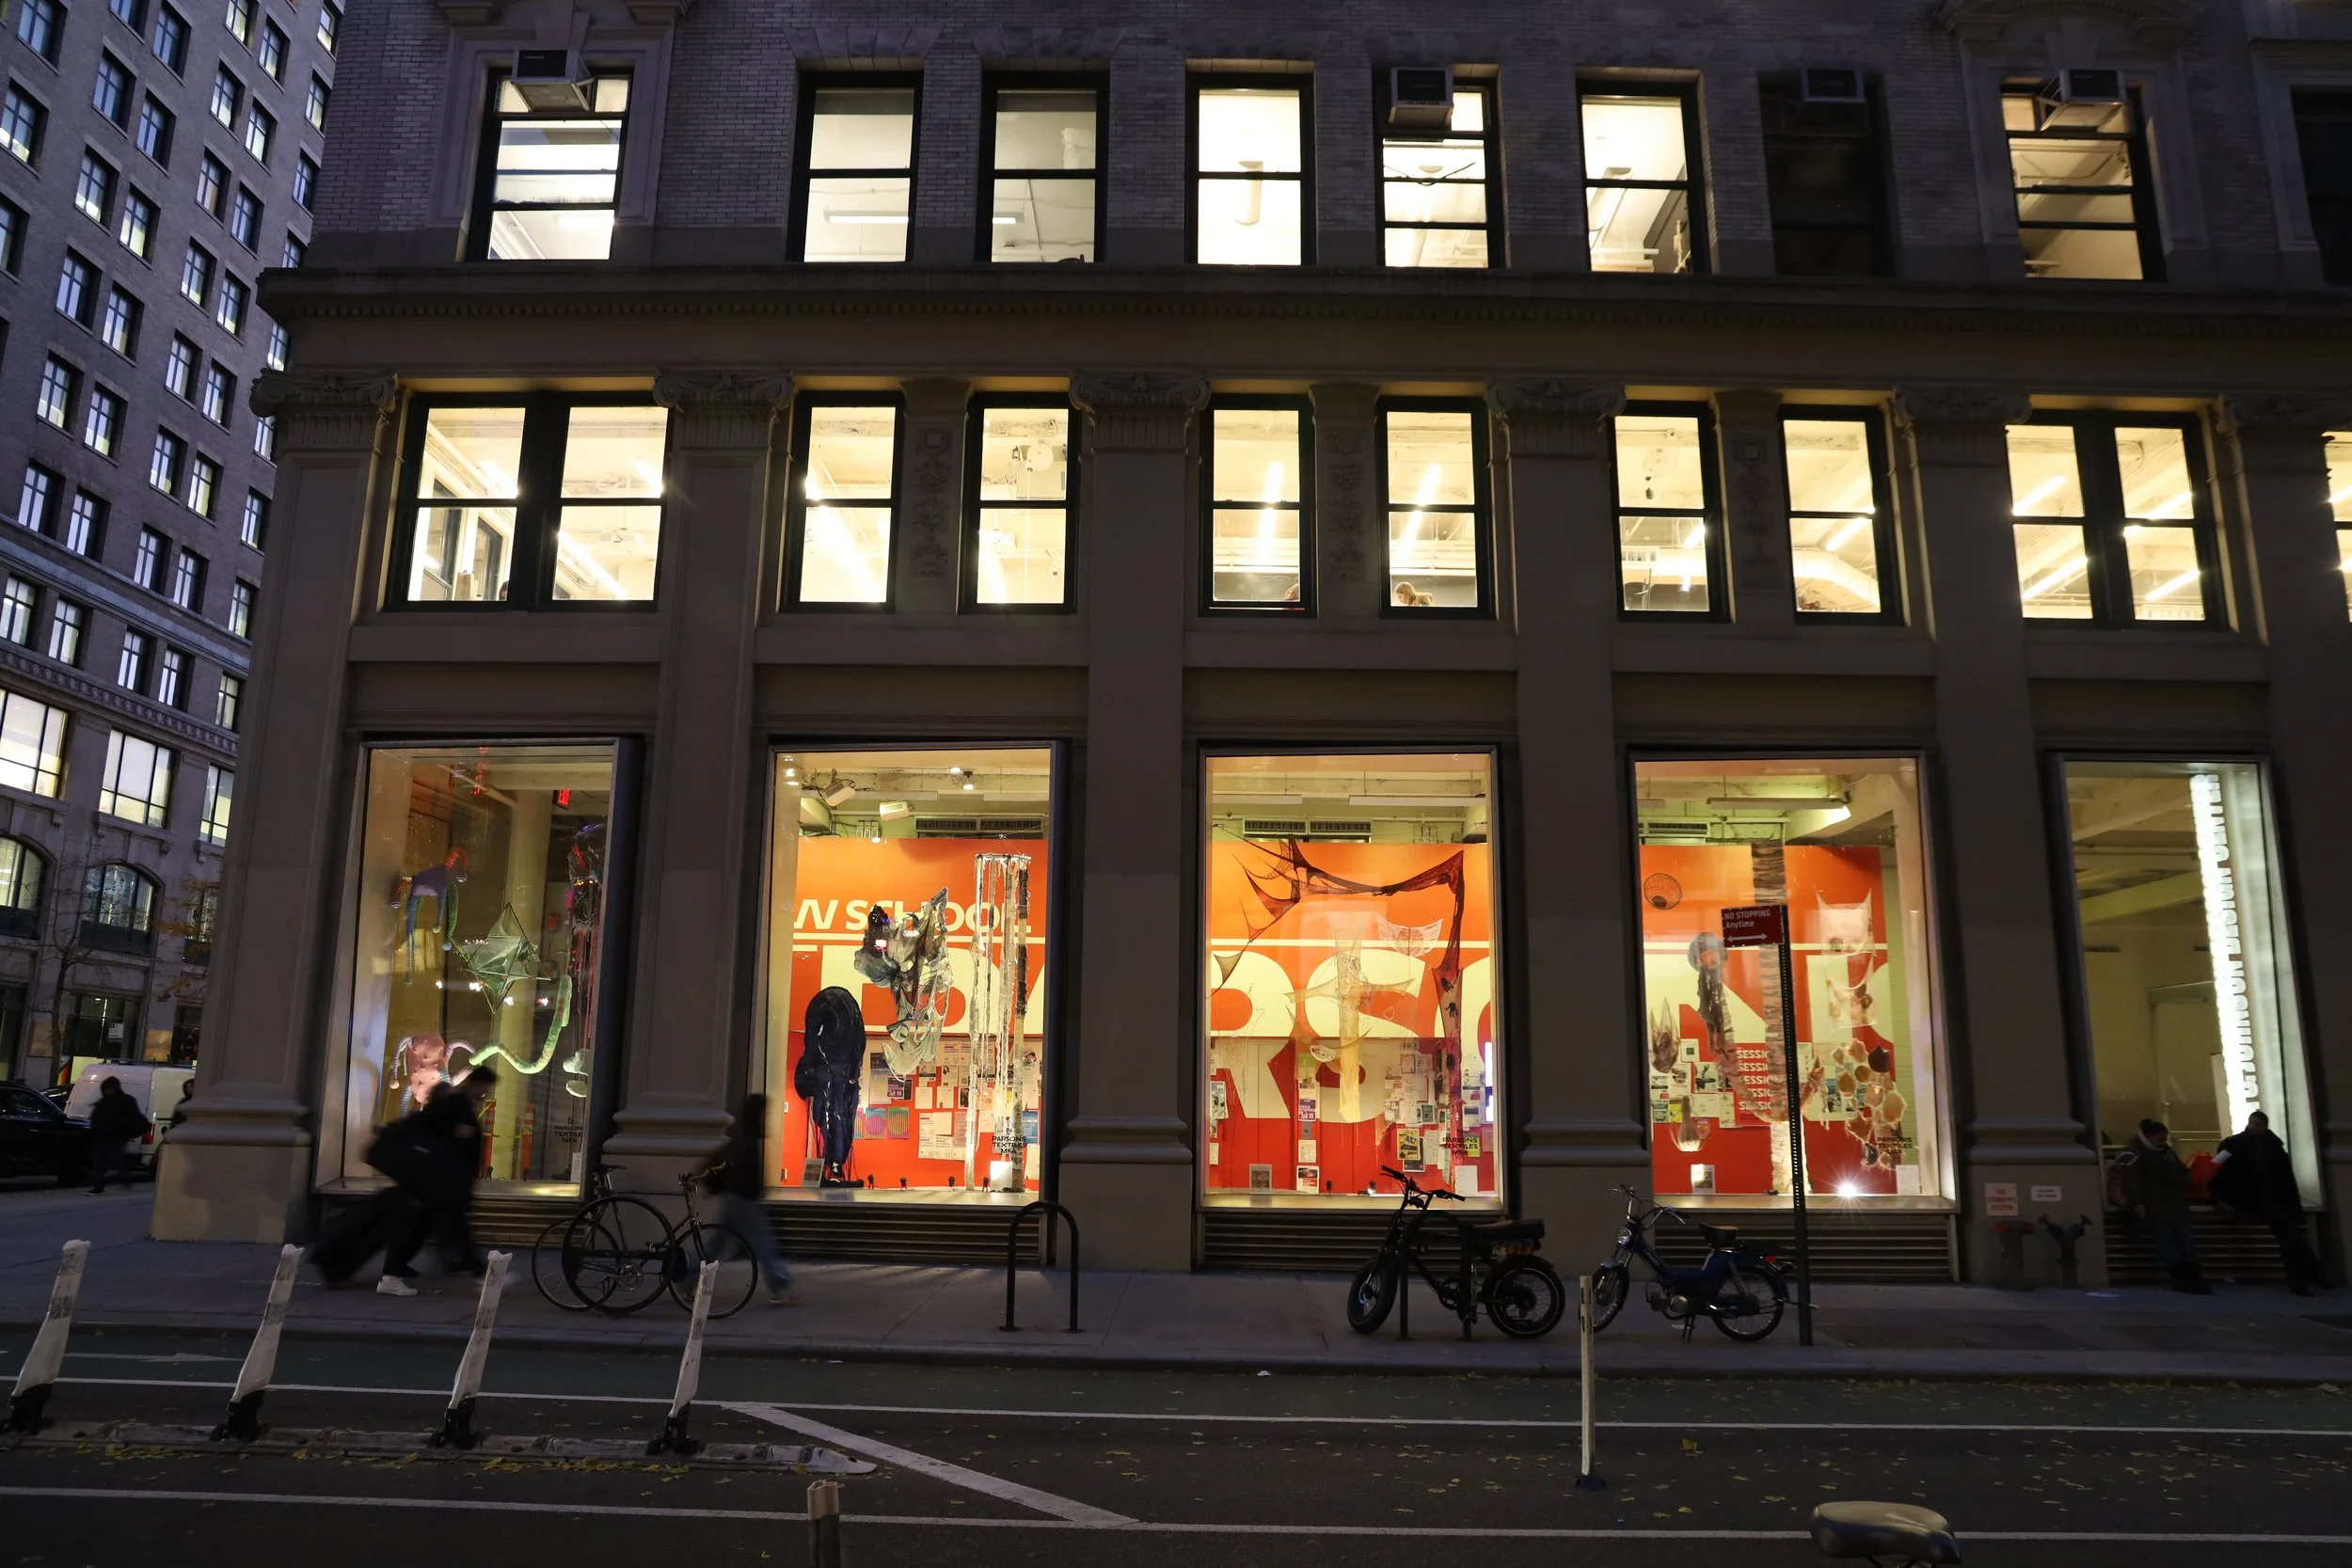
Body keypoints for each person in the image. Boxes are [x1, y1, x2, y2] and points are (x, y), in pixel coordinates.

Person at [375, 1067, 496, 1294]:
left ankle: (392, 1274)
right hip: (441, 1182)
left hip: (442, 1183)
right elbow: (429, 1126)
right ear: (477, 1083)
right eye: (485, 1086)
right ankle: (480, 1273)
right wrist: (455, 1131)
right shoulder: (454, 1104)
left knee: (424, 1228)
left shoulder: (459, 1103)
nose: (485, 1091)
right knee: (451, 1228)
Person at [2210, 1110, 2322, 1296]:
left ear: (2264, 1127)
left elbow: (2286, 1180)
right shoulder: (2250, 1145)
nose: (2253, 1127)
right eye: (2252, 1123)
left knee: (2292, 1239)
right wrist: (2218, 1199)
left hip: (2264, 1201)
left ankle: (2309, 1277)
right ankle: (2313, 1276)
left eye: (2258, 1124)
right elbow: (2216, 1172)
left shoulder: (2260, 1146)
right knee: (2292, 1239)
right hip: (2257, 1202)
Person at [704, 1093, 797, 1306]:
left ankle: (686, 1280)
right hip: (742, 1198)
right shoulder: (747, 1137)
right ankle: (781, 1287)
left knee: (715, 1244)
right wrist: (755, 1191)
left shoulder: (742, 1133)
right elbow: (745, 1171)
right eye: (765, 1112)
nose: (767, 1116)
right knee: (763, 1244)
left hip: (734, 1196)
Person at [2115, 1117, 2208, 1293]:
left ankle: (2189, 1277)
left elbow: (2181, 1172)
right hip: (2157, 1205)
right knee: (2170, 1241)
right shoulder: (2137, 1154)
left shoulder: (2159, 1152)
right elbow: (2132, 1181)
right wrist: (2138, 1203)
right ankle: (2185, 1278)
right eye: (2160, 1139)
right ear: (2148, 1137)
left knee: (2180, 1241)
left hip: (2169, 1204)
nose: (2163, 1143)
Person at [85, 1077, 150, 1194]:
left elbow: (133, 1117)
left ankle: (124, 1180)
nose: (108, 1091)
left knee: (115, 1159)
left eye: (110, 1089)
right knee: (101, 1161)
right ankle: (99, 1186)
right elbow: (95, 1118)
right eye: (106, 1089)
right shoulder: (104, 1102)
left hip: (118, 1135)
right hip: (104, 1136)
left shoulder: (124, 1101)